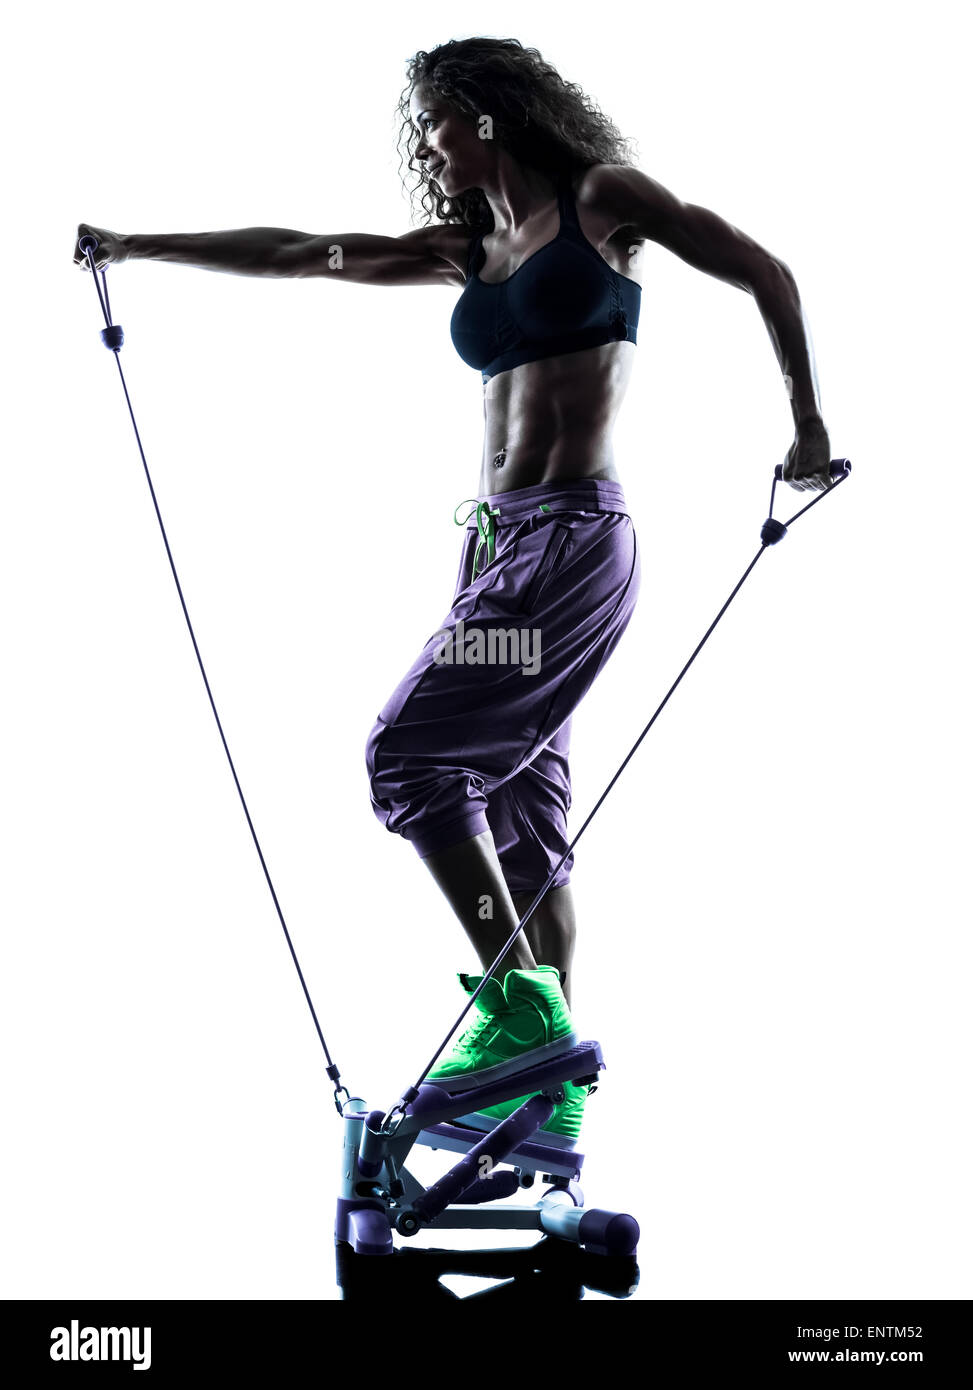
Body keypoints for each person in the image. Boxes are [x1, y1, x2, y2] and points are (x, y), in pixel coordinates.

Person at [74, 36, 833, 1143]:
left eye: (435, 119)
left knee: (407, 754)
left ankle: (519, 1006)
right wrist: (138, 244)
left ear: (485, 113)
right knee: (525, 832)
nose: (426, 143)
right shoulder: (465, 248)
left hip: (571, 552)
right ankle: (546, 1105)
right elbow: (300, 253)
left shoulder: (601, 203)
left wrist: (806, 424)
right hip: (494, 559)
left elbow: (765, 271)